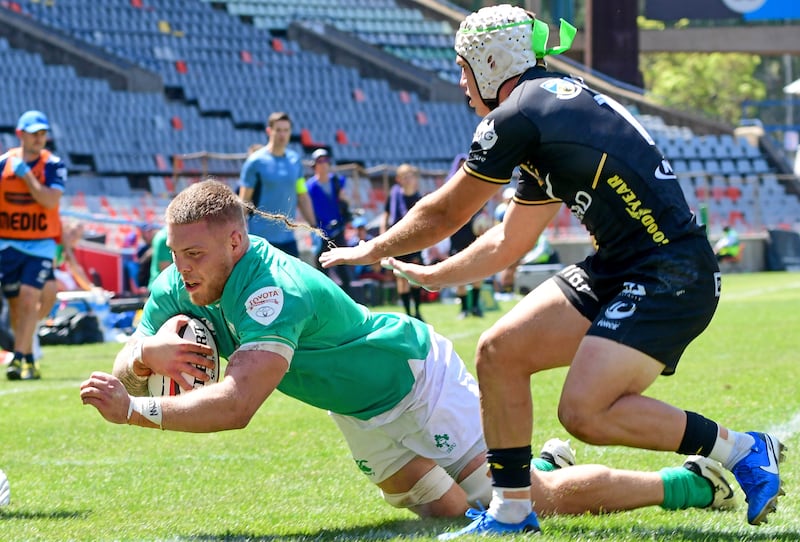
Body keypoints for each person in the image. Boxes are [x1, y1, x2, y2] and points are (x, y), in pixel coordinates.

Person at [319, 5, 783, 536]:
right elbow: (508, 241)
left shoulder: (516, 116)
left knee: (585, 412)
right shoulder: (545, 111)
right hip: (626, 264)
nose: (462, 81)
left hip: (669, 271)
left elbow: (446, 212)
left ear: (492, 62)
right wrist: (436, 274)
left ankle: (745, 449)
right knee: (500, 352)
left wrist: (370, 248)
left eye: (465, 66)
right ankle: (511, 510)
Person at [80, 179, 739, 523]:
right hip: (359, 411)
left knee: (519, 502)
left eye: (195, 253)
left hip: (412, 378)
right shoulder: (175, 282)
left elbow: (239, 405)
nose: (181, 267)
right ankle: (526, 454)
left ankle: (685, 486)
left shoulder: (272, 289)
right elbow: (126, 371)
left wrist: (136, 413)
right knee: (440, 513)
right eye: (175, 252)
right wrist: (142, 359)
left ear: (235, 243)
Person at [1, 110, 66, 381]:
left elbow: (50, 201)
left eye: (43, 133)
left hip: (39, 246)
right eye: (34, 133)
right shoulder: (3, 164)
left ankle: (17, 358)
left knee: (30, 297)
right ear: (20, 134)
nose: (40, 138)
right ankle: (27, 357)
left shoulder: (53, 165)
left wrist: (27, 176)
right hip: (7, 246)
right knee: (17, 307)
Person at [238, 111, 316, 258]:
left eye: (286, 130)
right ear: (269, 131)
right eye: (278, 130)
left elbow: (302, 195)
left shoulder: (295, 161)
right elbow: (244, 201)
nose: (282, 135)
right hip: (261, 239)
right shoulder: (255, 162)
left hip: (288, 239)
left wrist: (314, 226)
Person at [305, 148, 353, 296]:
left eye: (326, 160)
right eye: (320, 161)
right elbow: (307, 207)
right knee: (321, 268)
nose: (324, 164)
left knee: (343, 266)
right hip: (321, 231)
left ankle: (348, 299)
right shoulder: (310, 186)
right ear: (314, 165)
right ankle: (324, 299)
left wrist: (345, 202)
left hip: (338, 229)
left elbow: (347, 201)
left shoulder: (338, 181)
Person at [382, 164, 425, 321]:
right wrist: (383, 236)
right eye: (404, 176)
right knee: (400, 276)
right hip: (398, 241)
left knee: (414, 276)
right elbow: (386, 216)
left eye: (410, 175)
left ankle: (418, 311)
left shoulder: (419, 199)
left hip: (414, 242)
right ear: (398, 179)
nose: (407, 179)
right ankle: (408, 313)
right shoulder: (394, 196)